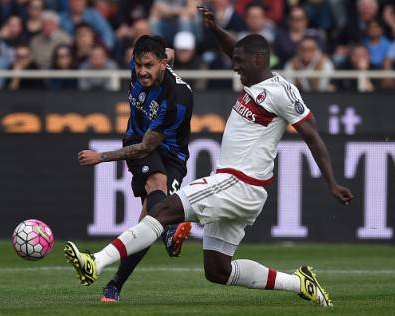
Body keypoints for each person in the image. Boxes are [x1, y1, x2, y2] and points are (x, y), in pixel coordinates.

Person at [64, 7, 353, 307]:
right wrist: (214, 29)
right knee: (218, 270)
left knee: (161, 211)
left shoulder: (281, 92)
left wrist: (331, 182)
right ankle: (299, 282)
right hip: (243, 190)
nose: (234, 66)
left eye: (239, 62)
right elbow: (234, 50)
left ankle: (96, 262)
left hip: (238, 183)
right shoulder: (254, 80)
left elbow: (311, 134)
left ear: (257, 60)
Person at [72, 35, 194, 302]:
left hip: (169, 152)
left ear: (162, 65)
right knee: (157, 184)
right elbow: (168, 53)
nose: (141, 71)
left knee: (147, 223)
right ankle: (171, 231)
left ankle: (115, 284)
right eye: (138, 64)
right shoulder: (142, 68)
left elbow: (147, 147)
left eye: (148, 65)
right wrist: (164, 54)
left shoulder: (178, 99)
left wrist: (100, 157)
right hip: (136, 139)